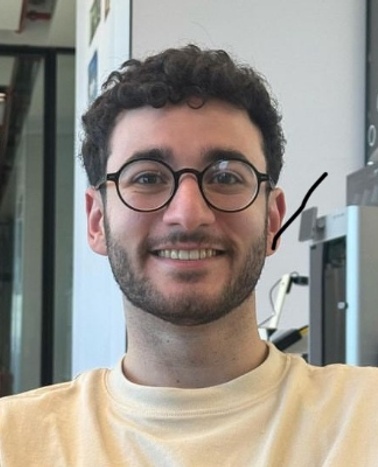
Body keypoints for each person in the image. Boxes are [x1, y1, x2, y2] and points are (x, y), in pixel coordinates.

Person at [1, 44, 378, 466]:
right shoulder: (15, 442)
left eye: (225, 177)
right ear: (96, 221)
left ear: (273, 220)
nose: (188, 214)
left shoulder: (366, 420)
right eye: (146, 177)